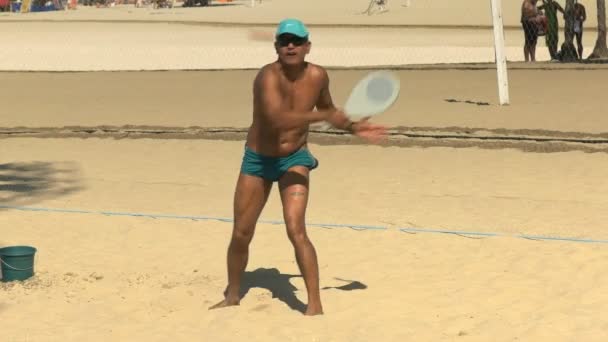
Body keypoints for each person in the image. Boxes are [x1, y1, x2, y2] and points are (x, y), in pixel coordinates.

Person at [209, 18, 387, 316]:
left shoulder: (318, 76)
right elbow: (277, 118)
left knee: (296, 229)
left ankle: (314, 305)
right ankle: (233, 294)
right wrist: (323, 116)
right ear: (276, 47)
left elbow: (330, 111)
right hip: (259, 159)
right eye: (284, 41)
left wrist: (354, 127)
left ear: (307, 46)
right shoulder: (266, 77)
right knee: (242, 232)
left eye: (296, 41)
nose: (290, 46)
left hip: (295, 157)